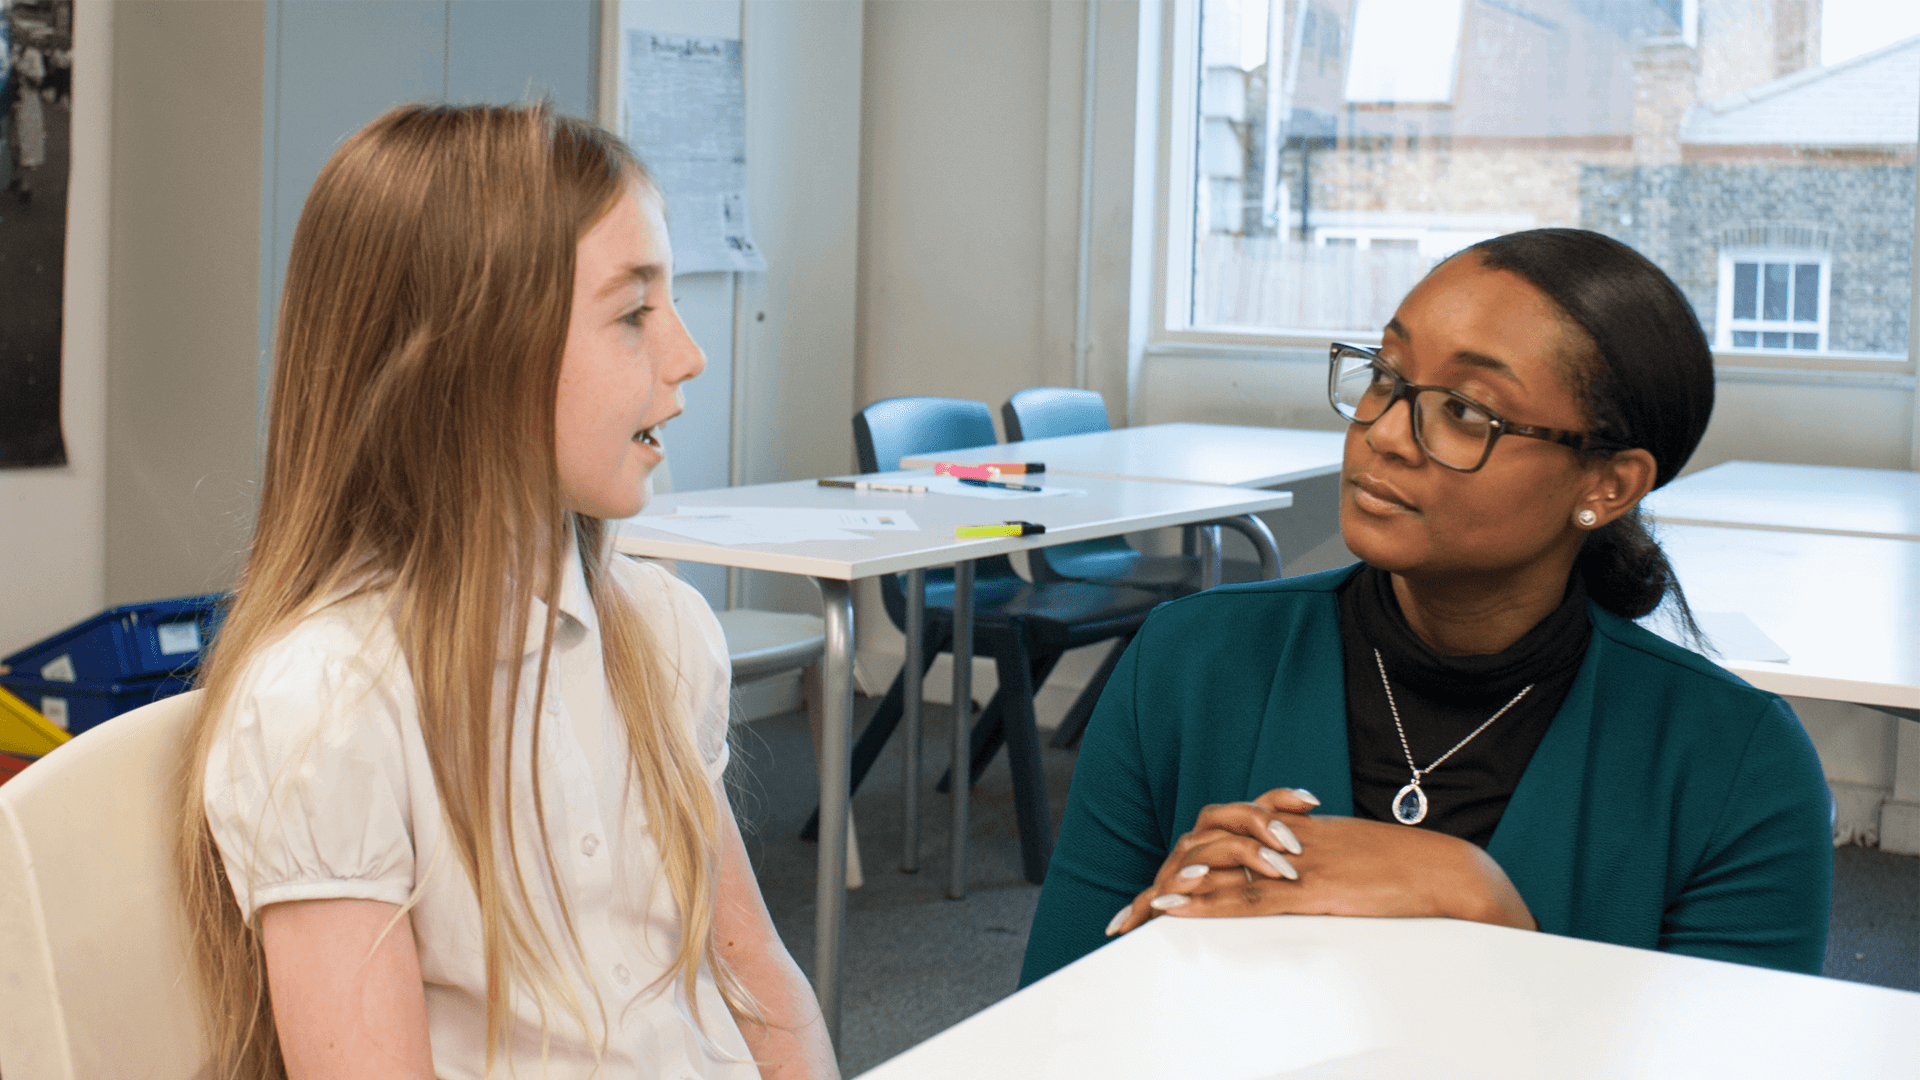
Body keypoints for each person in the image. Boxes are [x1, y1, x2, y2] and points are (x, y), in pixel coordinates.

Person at [175, 103, 837, 1080]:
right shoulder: (328, 708)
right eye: (632, 313)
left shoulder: (660, 630)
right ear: (470, 366)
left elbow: (765, 997)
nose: (688, 354)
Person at [1020, 228, 1833, 987]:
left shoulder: (1740, 766)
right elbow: (1044, 1028)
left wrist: (1480, 903)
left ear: (1606, 485)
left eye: (1467, 411)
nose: (1384, 433)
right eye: (1387, 376)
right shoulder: (1189, 661)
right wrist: (1157, 956)